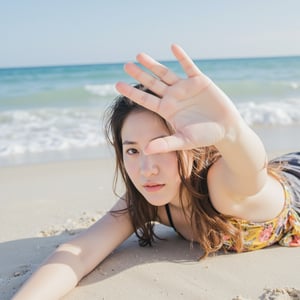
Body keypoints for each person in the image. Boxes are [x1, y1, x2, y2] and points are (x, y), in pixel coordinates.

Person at [13, 44, 300, 299]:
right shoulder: (144, 202)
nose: (146, 169)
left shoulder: (220, 184)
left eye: (161, 147)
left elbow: (253, 174)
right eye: (133, 150)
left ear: (192, 146)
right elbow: (79, 253)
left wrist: (232, 131)